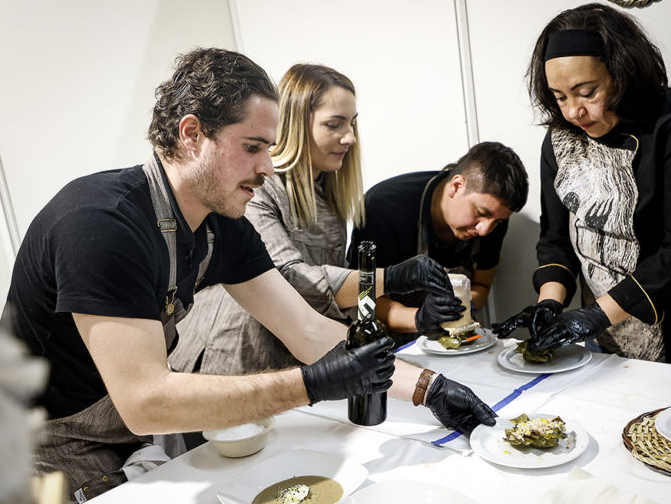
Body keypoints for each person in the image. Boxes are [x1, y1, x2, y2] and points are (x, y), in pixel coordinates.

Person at [0, 49, 495, 500]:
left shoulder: (221, 225)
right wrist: (311, 384)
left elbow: (308, 329)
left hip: (126, 440)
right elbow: (145, 400)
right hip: (43, 451)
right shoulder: (101, 224)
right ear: (191, 135)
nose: (268, 167)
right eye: (253, 147)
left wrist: (429, 387)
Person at [493, 3, 671, 372]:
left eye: (586, 92)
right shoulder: (562, 140)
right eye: (560, 97)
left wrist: (596, 315)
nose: (573, 112)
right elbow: (556, 238)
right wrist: (550, 301)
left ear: (622, 73)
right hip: (608, 337)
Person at [170, 63, 459, 375]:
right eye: (334, 125)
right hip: (230, 356)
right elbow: (288, 279)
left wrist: (414, 319)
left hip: (290, 358)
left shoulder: (328, 197)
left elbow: (332, 295)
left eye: (352, 124)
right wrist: (389, 278)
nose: (349, 138)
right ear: (295, 125)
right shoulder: (258, 188)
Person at [347, 142, 529, 342]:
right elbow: (365, 300)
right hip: (384, 342)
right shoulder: (383, 208)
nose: (484, 230)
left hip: (451, 340)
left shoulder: (494, 218)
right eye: (480, 213)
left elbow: (482, 284)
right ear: (456, 186)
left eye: (498, 221)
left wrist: (464, 308)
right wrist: (421, 319)